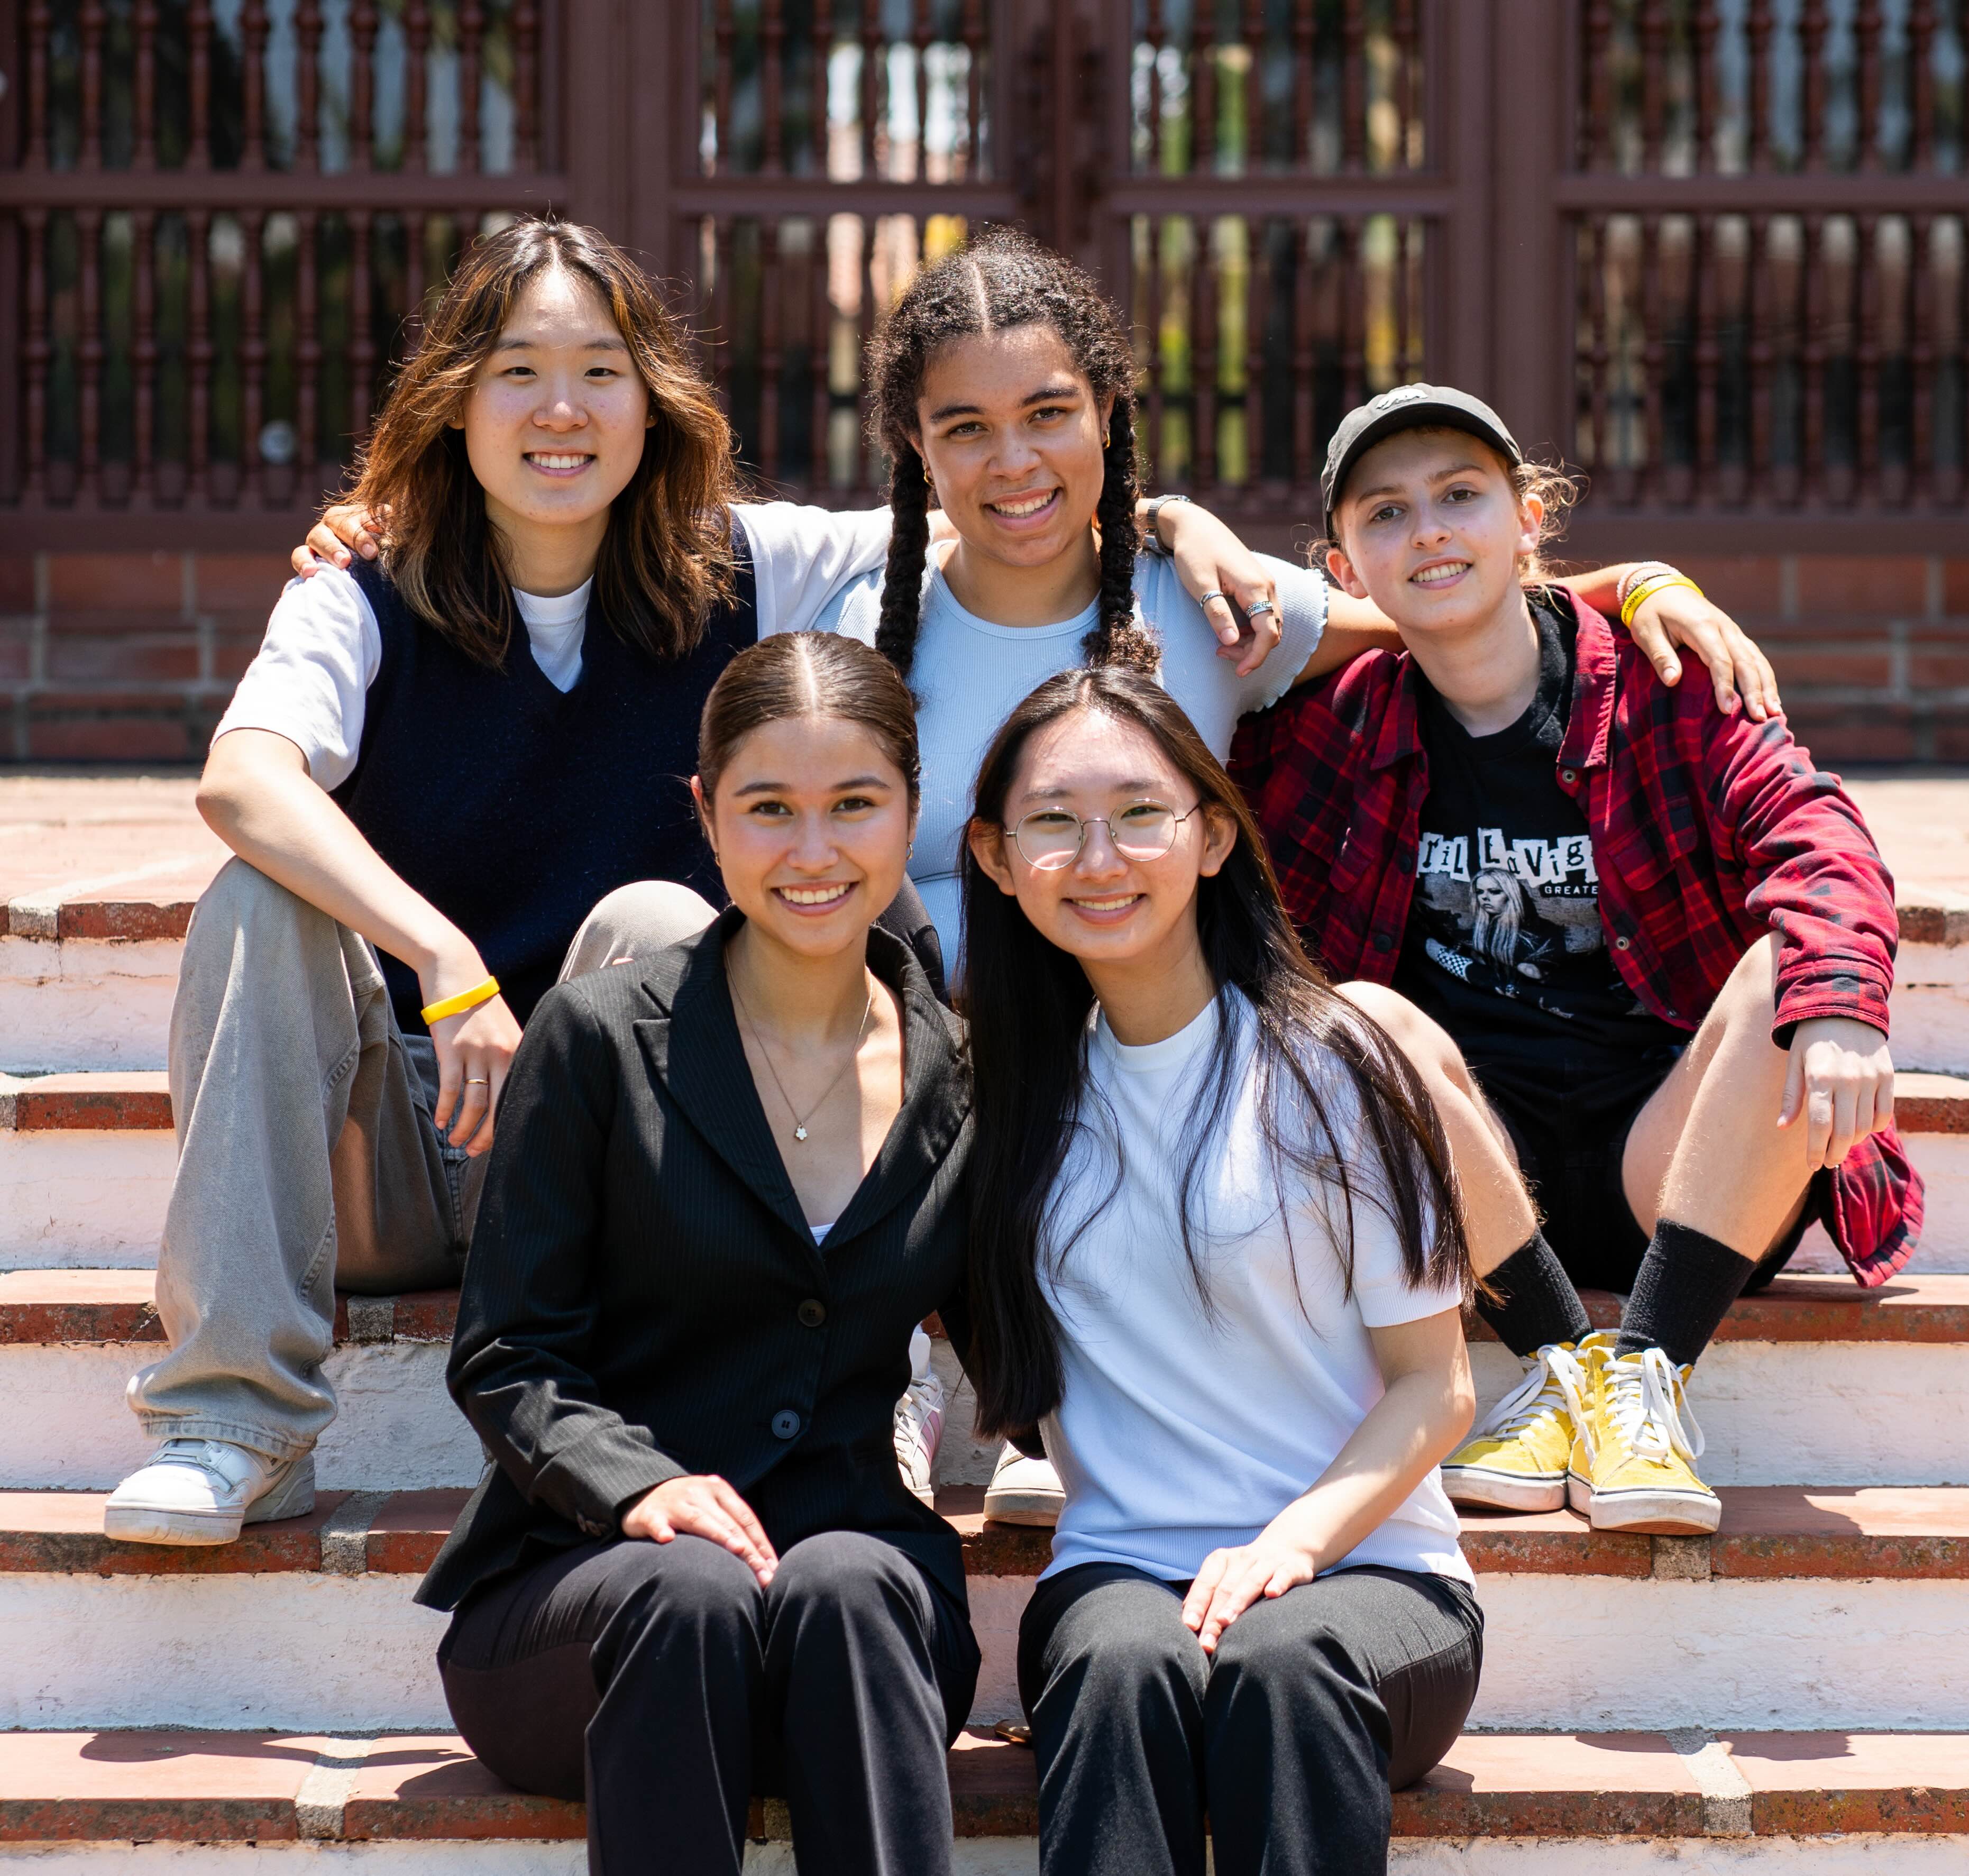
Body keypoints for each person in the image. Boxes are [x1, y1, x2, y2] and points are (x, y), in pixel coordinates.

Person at [293, 230, 1780, 1526]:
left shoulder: (1223, 613)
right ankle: (894, 1371)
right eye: (969, 428)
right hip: (914, 1077)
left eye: (1052, 415)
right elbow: (595, 524)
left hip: (1162, 1070)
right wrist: (386, 528)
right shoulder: (852, 602)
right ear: (917, 451)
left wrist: (1632, 582)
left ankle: (1038, 1390)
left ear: (1110, 415)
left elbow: (1438, 595)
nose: (1015, 462)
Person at [99, 216, 951, 1544]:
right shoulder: (361, 591)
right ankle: (235, 1420)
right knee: (256, 894)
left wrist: (1180, 528)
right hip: (393, 1149)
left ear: (653, 399)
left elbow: (1002, 510)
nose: (562, 409)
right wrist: (445, 961)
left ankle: (639, 1399)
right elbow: (242, 779)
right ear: (453, 404)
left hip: (604, 1177)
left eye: (601, 370)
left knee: (662, 923)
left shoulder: (744, 567)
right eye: (515, 371)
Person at [1231, 383, 1924, 1537]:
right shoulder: (1333, 725)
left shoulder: (1664, 683)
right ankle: (1559, 1361)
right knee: (1352, 1012)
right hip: (1472, 1184)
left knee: (1779, 975)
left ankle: (1645, 1369)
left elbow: (1814, 830)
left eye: (1460, 496)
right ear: (1343, 570)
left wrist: (1842, 1005)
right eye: (1385, 514)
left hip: (1680, 1167)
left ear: (1528, 518)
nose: (1430, 532)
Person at [420, 630, 977, 1876]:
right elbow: (507, 1351)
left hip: (856, 1634)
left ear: (910, 813)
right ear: (706, 816)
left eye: (853, 806)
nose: (814, 850)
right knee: (688, 1586)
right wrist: (634, 1486)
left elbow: (1032, 1338)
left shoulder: (968, 1074)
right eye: (768, 808)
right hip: (589, 1607)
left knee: (846, 1573)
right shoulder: (598, 1037)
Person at [956, 662, 1513, 1876]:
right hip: (1122, 1577)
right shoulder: (995, 1103)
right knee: (1117, 1659)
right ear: (995, 860)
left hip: (1369, 1580)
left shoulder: (1334, 1060)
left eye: (1138, 813)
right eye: (1052, 821)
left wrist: (1291, 1547)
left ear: (1210, 836)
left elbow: (1438, 1385)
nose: (1098, 857)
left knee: (1282, 1658)